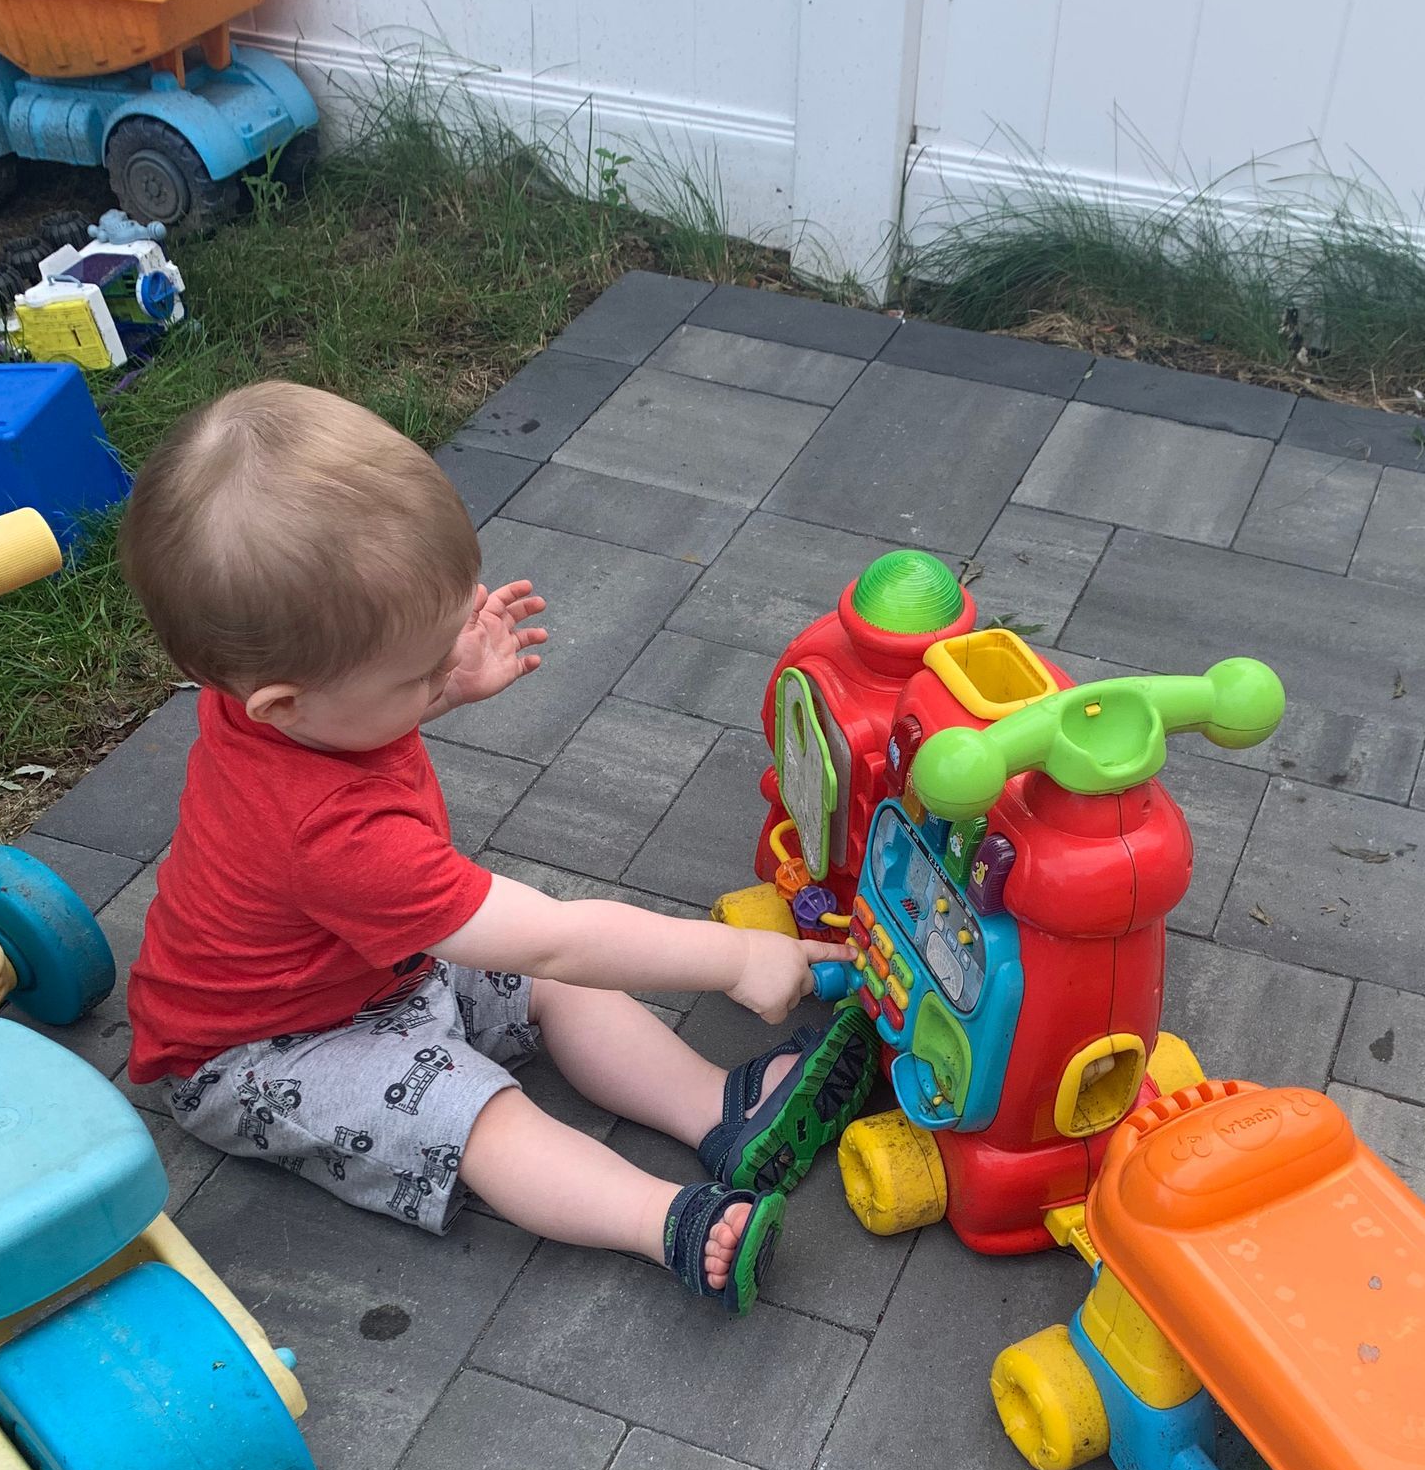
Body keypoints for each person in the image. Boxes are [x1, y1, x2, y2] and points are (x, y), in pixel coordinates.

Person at [122, 380, 871, 1312]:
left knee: (561, 987)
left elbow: (544, 952)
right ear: (286, 703)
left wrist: (442, 684)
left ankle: (722, 1111)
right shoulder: (326, 833)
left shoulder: (279, 694)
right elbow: (553, 934)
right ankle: (668, 1220)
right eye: (421, 673)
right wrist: (733, 956)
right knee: (470, 1105)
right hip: (266, 1054)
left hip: (377, 966)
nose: (444, 676)